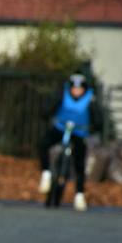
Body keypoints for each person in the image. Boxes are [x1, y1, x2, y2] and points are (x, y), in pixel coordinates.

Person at [38, 73, 103, 211]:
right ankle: (46, 173)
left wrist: (97, 125)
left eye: (79, 89)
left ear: (85, 90)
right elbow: (52, 105)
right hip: (61, 128)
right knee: (43, 144)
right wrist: (46, 113)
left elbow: (96, 116)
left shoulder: (90, 98)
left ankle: (79, 194)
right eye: (74, 88)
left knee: (79, 164)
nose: (76, 91)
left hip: (79, 132)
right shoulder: (63, 93)